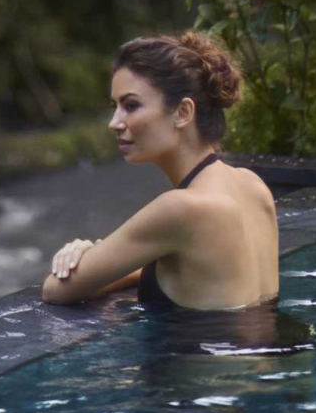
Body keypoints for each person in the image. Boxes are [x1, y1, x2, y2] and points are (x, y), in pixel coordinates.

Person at [40, 32, 279, 311]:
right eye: (115, 107)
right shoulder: (254, 187)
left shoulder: (180, 209)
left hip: (199, 354)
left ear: (182, 113)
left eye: (131, 105)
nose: (114, 123)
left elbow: (56, 290)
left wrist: (91, 256)